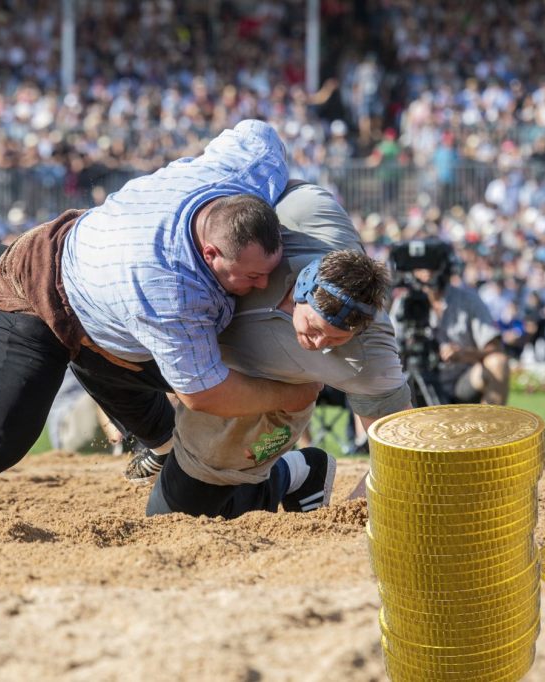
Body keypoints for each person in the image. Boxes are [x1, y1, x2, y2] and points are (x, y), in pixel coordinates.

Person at [0, 120, 323, 528]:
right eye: (251, 277)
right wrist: (289, 395)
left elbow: (258, 133)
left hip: (100, 265)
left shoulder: (243, 175)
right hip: (41, 296)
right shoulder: (167, 289)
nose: (263, 284)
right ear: (210, 254)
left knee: (152, 384)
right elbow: (203, 394)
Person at [140, 182, 412, 519]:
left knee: (172, 519)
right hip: (188, 340)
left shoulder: (370, 359)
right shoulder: (308, 213)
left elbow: (399, 456)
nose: (317, 344)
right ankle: (154, 440)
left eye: (335, 339)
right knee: (98, 357)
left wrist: (345, 517)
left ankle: (297, 472)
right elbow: (250, 184)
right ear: (302, 288)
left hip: (267, 399)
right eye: (313, 328)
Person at [407, 239, 510, 406]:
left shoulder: (468, 300)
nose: (426, 273)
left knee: (497, 362)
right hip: (416, 383)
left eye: (432, 266)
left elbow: (495, 347)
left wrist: (463, 354)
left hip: (460, 382)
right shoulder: (405, 303)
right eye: (421, 267)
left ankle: (490, 429)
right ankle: (369, 431)